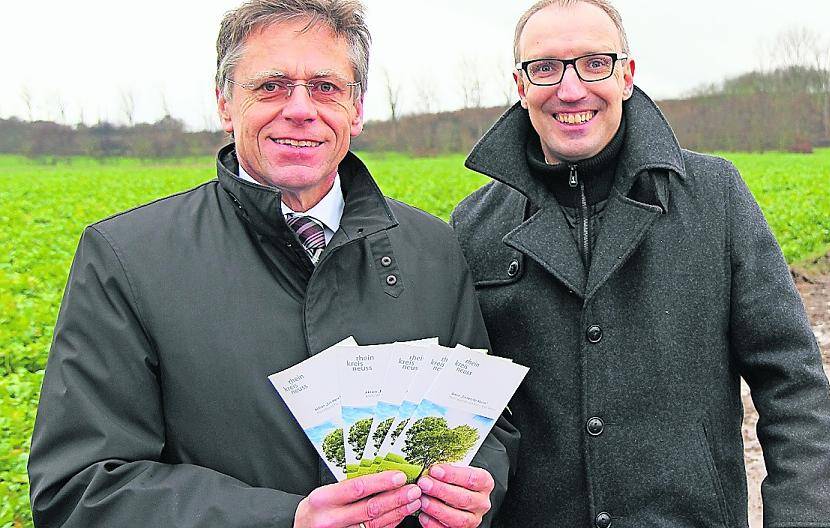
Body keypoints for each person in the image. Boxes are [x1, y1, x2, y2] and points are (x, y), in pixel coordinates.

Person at [28, 1, 514, 527]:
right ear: (225, 103)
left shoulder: (433, 248)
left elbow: (487, 423)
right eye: (271, 86)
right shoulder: (126, 256)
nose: (301, 109)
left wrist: (473, 491)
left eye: (325, 87)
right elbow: (81, 488)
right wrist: (283, 521)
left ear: (356, 108)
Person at [451, 1, 830, 526]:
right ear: (521, 85)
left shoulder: (715, 198)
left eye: (594, 63)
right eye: (545, 67)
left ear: (626, 75)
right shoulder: (473, 225)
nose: (571, 89)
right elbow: (469, 414)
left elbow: (792, 382)